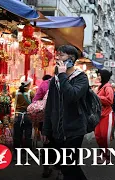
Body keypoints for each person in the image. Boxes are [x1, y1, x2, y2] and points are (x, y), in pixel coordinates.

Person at [42, 45, 89, 180]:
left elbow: (71, 95)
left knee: (70, 166)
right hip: (57, 131)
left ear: (71, 59)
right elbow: (50, 106)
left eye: (61, 56)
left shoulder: (81, 78)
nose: (57, 58)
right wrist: (46, 130)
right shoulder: (55, 80)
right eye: (57, 55)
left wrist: (62, 74)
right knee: (64, 166)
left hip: (74, 130)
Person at [32, 74, 56, 178]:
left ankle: (46, 168)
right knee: (60, 144)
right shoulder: (66, 83)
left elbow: (35, 101)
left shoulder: (45, 84)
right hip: (60, 121)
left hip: (45, 120)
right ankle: (58, 169)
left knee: (46, 144)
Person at [12, 76, 35, 160]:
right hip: (27, 115)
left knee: (17, 135)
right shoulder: (31, 93)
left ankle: (16, 154)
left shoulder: (15, 92)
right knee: (28, 135)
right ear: (29, 84)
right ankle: (28, 155)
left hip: (18, 115)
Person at [95, 69, 115, 163]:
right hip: (99, 115)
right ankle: (102, 154)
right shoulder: (100, 87)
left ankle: (106, 156)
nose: (98, 77)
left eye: (100, 75)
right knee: (98, 136)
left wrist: (97, 97)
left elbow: (110, 100)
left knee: (104, 137)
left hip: (107, 115)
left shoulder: (108, 87)